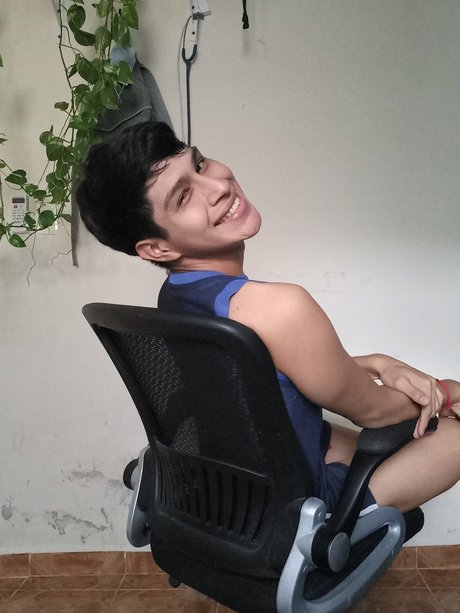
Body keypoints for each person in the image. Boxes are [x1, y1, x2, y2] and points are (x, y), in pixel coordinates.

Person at [76, 120, 460, 515]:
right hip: (292, 509)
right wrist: (447, 392)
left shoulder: (176, 296)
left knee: (347, 438)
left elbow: (267, 370)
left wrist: (379, 363)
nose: (218, 185)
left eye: (200, 164)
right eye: (184, 196)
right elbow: (375, 412)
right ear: (157, 248)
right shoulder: (279, 308)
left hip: (234, 490)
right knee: (453, 434)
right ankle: (336, 525)